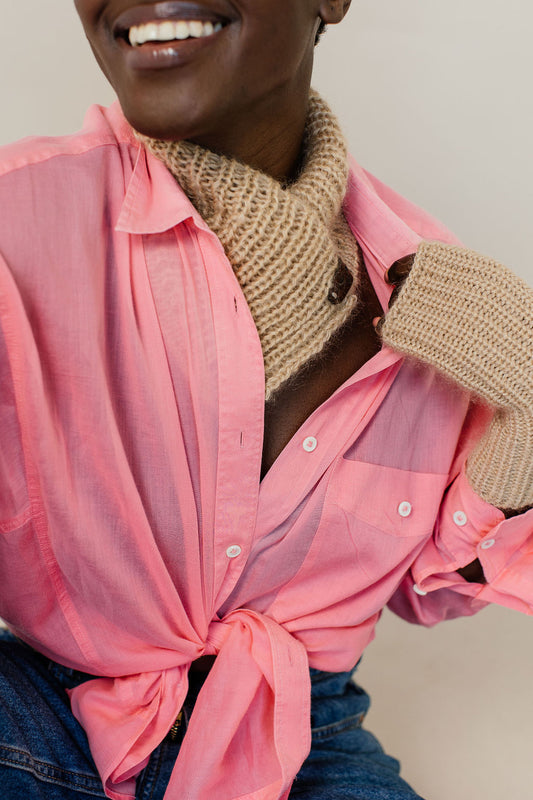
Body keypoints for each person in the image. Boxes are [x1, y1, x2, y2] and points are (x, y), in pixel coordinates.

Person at [0, 1, 531, 799]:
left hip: (298, 735)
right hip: (34, 710)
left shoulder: (439, 297)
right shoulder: (17, 221)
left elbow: (431, 588)